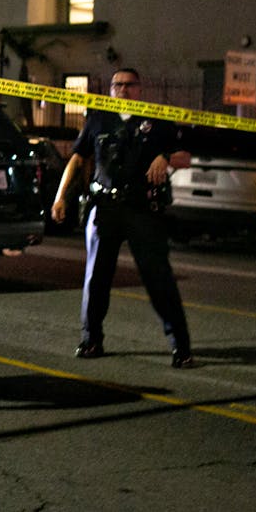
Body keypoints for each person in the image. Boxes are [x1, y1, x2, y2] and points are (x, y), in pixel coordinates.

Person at [51, 68, 195, 369]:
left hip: (143, 209)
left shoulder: (157, 119)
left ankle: (181, 347)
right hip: (105, 207)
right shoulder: (99, 118)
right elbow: (79, 158)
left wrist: (165, 157)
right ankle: (91, 340)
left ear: (140, 89)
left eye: (129, 85)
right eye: (118, 85)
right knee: (96, 278)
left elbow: (185, 156)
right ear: (111, 90)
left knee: (159, 279)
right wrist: (60, 196)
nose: (123, 90)